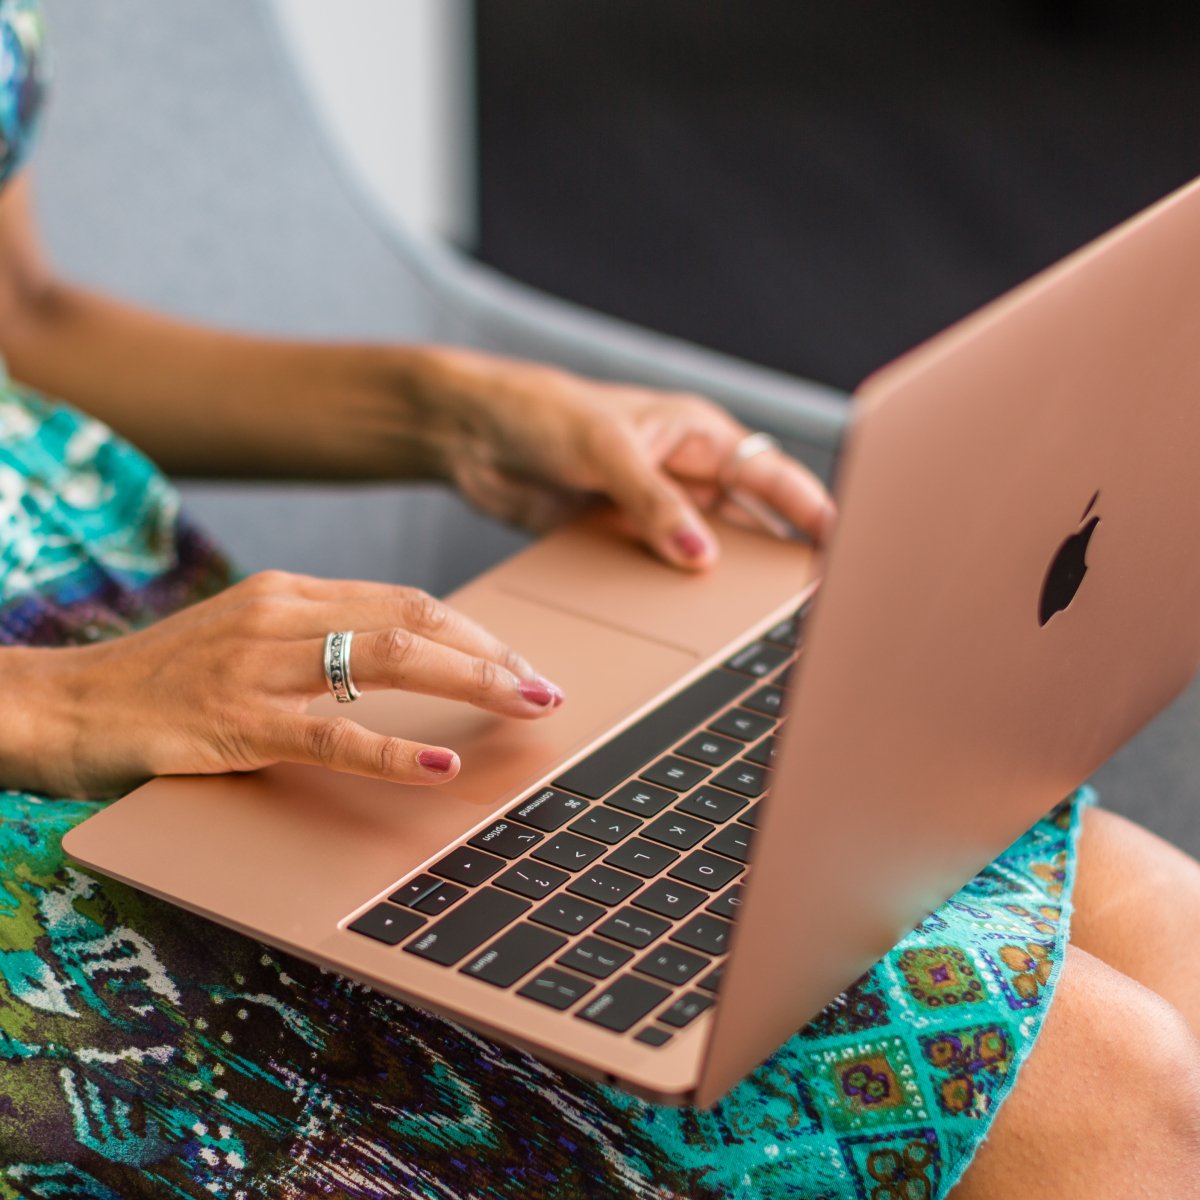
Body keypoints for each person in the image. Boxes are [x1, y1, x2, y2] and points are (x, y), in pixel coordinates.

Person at [1, 3, 1198, 1197]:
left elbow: (22, 321)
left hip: (145, 623)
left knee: (1163, 927)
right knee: (1108, 1096)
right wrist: (51, 707)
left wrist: (453, 409)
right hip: (49, 755)